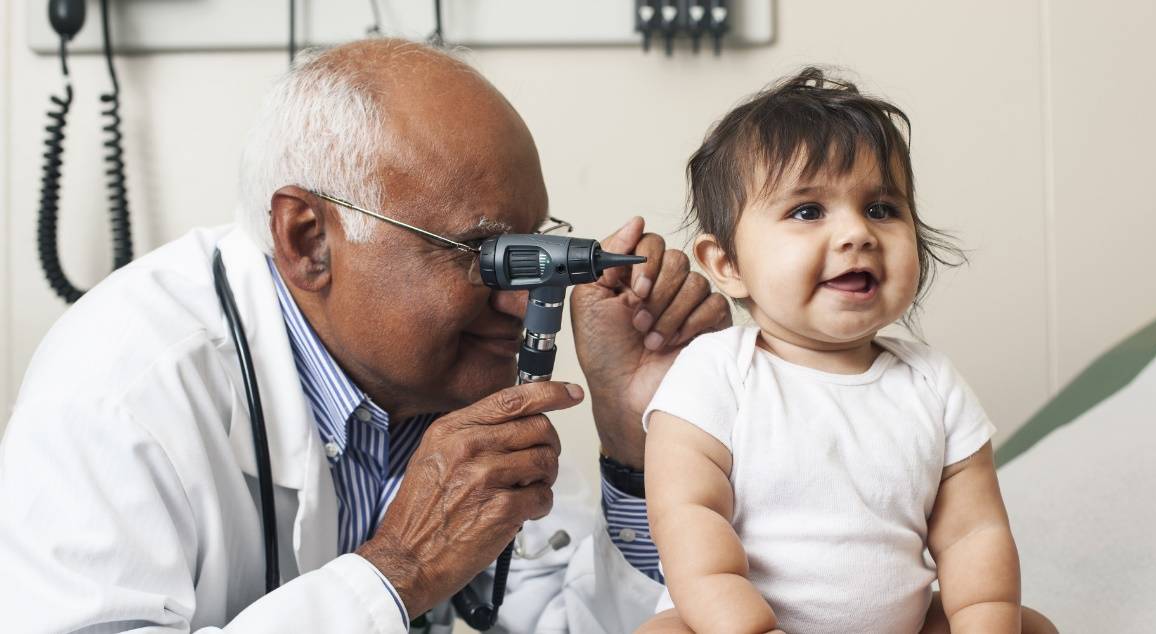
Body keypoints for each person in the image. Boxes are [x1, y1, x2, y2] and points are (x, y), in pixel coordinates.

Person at [0, 39, 731, 633]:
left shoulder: (448, 374)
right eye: (478, 251)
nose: (519, 298)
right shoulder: (119, 390)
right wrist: (399, 570)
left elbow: (570, 621)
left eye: (530, 245)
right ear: (308, 239)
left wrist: (642, 444)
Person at [637, 68, 1058, 634]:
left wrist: (985, 618)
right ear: (727, 265)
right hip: (738, 622)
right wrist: (747, 627)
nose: (857, 234)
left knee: (1032, 627)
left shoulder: (931, 382)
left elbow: (972, 533)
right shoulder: (714, 373)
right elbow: (689, 517)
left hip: (897, 624)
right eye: (807, 211)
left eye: (882, 208)